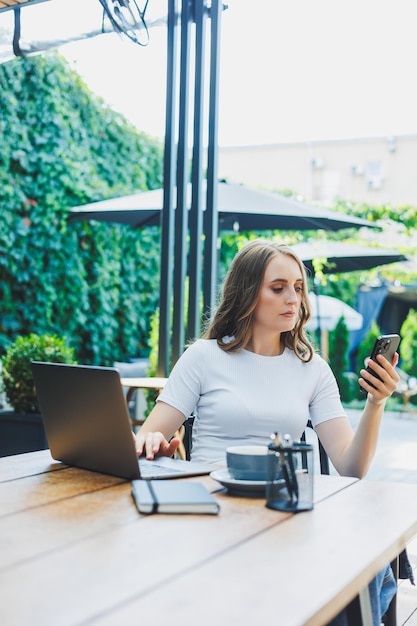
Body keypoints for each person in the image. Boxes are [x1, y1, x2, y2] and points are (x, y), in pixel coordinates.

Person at [135, 239, 400, 625]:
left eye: (297, 288)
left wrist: (376, 404)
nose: (292, 298)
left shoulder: (312, 369)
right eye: (278, 288)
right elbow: (148, 438)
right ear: (247, 294)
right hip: (212, 510)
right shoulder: (203, 357)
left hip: (282, 513)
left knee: (364, 567)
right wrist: (153, 443)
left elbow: (351, 467)